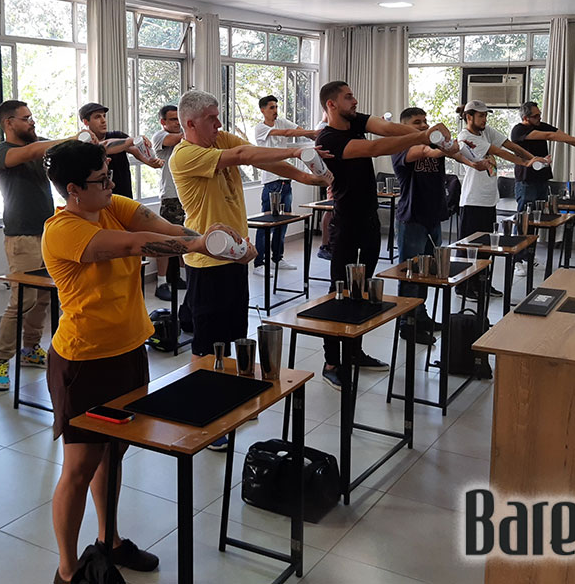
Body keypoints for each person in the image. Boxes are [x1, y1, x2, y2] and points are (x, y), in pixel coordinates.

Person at [41, 139, 245, 584]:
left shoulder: (111, 204)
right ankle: (67, 570)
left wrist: (215, 241)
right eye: (101, 179)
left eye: (110, 174)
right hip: (85, 360)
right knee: (79, 466)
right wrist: (203, 245)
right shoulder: (63, 230)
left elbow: (166, 228)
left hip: (129, 350)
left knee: (114, 453)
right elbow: (136, 244)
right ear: (73, 189)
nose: (111, 184)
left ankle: (109, 541)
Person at [170, 90, 328, 446]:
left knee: (231, 334)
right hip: (207, 262)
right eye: (212, 118)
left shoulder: (219, 139)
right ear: (190, 123)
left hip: (235, 255)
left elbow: (260, 159)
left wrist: (305, 178)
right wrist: (296, 150)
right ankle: (203, 414)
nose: (219, 123)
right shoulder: (185, 155)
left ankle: (226, 398)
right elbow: (243, 155)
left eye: (218, 116)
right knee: (206, 343)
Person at [316, 81, 453, 390]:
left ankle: (354, 351)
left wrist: (428, 133)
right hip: (346, 223)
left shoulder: (355, 121)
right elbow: (375, 148)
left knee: (363, 290)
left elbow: (387, 129)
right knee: (340, 291)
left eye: (353, 95)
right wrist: (423, 135)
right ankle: (332, 361)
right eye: (348, 97)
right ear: (331, 105)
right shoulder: (328, 138)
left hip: (368, 221)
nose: (354, 100)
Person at [0, 100, 89, 390]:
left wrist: (121, 145)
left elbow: (50, 150)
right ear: (8, 123)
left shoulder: (40, 144)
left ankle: (30, 349)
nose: (32, 122)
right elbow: (32, 152)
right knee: (23, 299)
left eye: (32, 117)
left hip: (48, 232)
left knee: (44, 297)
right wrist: (72, 139)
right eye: (26, 118)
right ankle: (1, 360)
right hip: (21, 235)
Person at [392, 107, 492, 343]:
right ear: (404, 127)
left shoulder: (433, 142)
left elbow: (454, 154)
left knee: (427, 273)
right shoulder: (401, 147)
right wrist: (449, 146)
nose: (424, 125)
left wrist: (472, 162)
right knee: (411, 274)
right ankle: (407, 323)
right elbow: (426, 151)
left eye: (425, 121)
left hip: (433, 217)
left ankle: (421, 316)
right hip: (412, 218)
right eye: (417, 122)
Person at [455, 100, 548, 298]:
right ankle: (464, 287)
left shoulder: (486, 131)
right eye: (481, 116)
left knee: (487, 248)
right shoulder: (465, 137)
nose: (484, 119)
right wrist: (526, 163)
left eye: (485, 116)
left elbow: (510, 145)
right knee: (470, 248)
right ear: (469, 117)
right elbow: (499, 152)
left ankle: (483, 283)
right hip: (473, 201)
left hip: (489, 200)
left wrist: (532, 157)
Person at [509, 101, 575, 277]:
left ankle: (528, 256)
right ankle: (517, 260)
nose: (539, 118)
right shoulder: (519, 130)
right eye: (536, 116)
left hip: (541, 180)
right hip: (526, 181)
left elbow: (564, 137)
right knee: (524, 220)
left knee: (535, 220)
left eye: (540, 114)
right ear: (526, 117)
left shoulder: (540, 125)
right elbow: (550, 136)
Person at [252, 95, 319, 274]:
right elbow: (288, 133)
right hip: (271, 182)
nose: (275, 110)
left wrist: (316, 135)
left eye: (276, 107)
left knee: (283, 222)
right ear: (262, 110)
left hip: (286, 180)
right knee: (266, 224)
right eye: (271, 107)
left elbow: (298, 130)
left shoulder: (281, 121)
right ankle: (259, 263)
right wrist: (312, 131)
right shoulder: (260, 128)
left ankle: (277, 258)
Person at [79, 102, 162, 198]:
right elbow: (105, 146)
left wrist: (149, 161)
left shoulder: (117, 135)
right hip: (98, 199)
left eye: (104, 116)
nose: (103, 121)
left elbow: (135, 150)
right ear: (86, 122)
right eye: (97, 117)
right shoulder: (83, 145)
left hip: (124, 196)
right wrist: (132, 140)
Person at [151, 104, 186, 301]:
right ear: (163, 122)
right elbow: (175, 139)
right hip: (171, 197)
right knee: (166, 240)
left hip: (187, 196)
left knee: (186, 237)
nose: (177, 123)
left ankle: (181, 277)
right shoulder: (160, 136)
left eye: (179, 119)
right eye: (173, 119)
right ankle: (161, 282)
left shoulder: (185, 136)